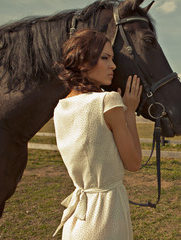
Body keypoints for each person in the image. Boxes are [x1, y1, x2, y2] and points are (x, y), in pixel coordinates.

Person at [52, 29, 142, 239]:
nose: (113, 65)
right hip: (106, 216)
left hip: (77, 218)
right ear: (83, 61)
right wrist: (129, 111)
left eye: (112, 58)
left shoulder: (60, 108)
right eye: (105, 58)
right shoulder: (107, 101)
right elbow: (134, 163)